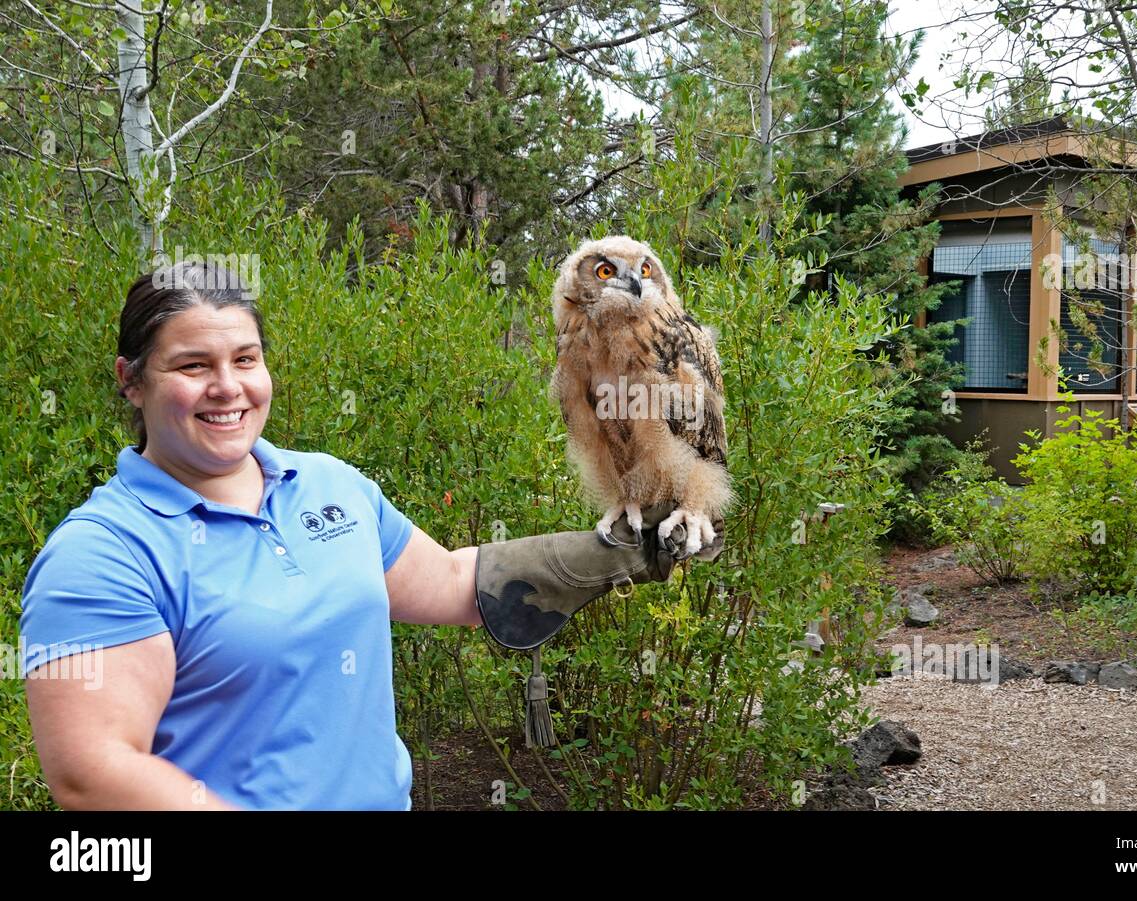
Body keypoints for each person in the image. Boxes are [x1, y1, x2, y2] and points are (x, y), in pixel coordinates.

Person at [20, 260, 712, 811]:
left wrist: (624, 552)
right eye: (193, 365)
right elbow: (93, 773)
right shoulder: (102, 553)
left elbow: (447, 581)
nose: (227, 387)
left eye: (246, 358)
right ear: (131, 381)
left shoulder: (326, 485)